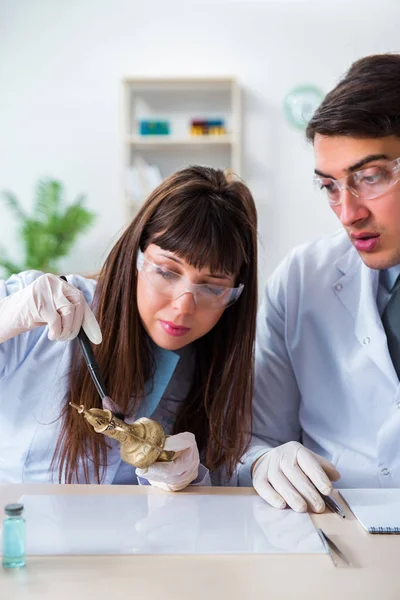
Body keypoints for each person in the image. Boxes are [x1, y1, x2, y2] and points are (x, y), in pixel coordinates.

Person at [0, 165, 258, 488]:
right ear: (134, 256)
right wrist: (9, 315)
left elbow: (216, 505)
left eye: (212, 288)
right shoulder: (42, 307)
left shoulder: (217, 368)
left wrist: (194, 481)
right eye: (166, 272)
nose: (183, 307)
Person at [239, 53, 400, 512]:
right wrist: (265, 461)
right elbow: (258, 439)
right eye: (330, 186)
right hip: (333, 538)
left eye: (369, 178)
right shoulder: (301, 278)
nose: (349, 213)